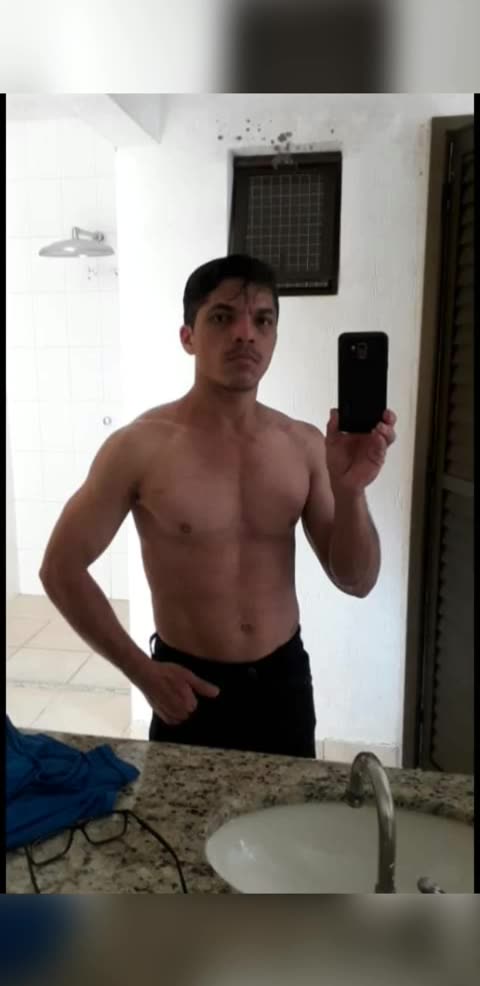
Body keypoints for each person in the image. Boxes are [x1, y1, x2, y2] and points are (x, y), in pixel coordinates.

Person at [40, 254, 396, 759]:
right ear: (188, 336)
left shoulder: (303, 445)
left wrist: (352, 491)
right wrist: (142, 672)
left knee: (288, 812)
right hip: (188, 688)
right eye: (223, 317)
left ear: (274, 338)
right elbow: (60, 568)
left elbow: (356, 581)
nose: (245, 334)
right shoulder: (139, 447)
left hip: (282, 684)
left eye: (263, 321)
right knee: (183, 815)